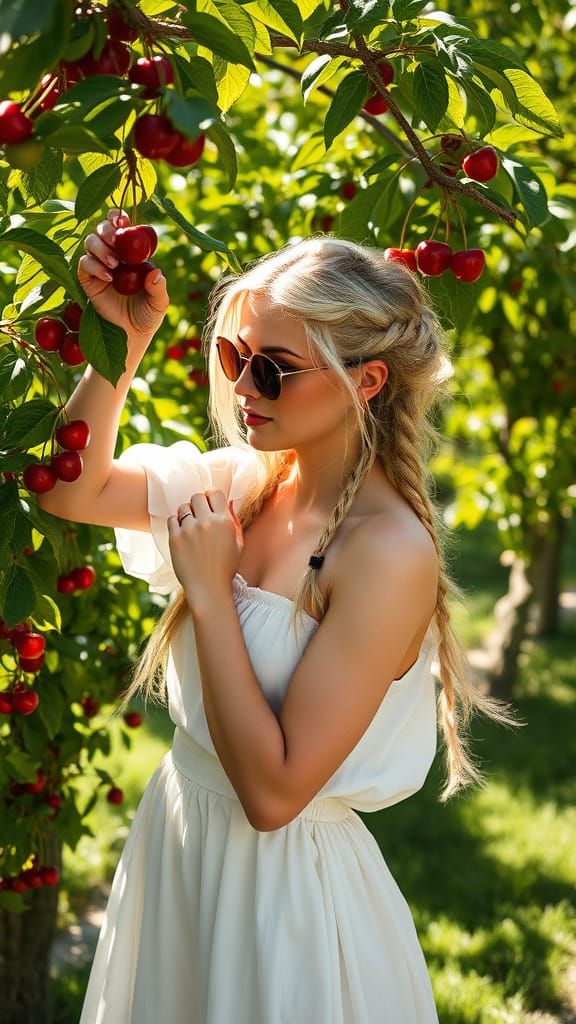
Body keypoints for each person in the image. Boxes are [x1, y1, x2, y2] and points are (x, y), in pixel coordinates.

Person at [39, 209, 513, 1023]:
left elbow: (273, 795)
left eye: (274, 370)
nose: (241, 388)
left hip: (282, 901)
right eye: (234, 358)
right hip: (180, 850)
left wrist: (213, 591)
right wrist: (123, 339)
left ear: (367, 381)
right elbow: (67, 488)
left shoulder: (386, 551)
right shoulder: (241, 482)